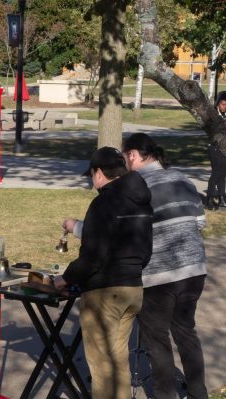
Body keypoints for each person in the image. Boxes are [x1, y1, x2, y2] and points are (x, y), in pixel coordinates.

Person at [53, 147, 153, 399]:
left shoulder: (103, 203)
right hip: (133, 289)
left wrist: (65, 279)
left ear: (99, 173)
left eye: (92, 175)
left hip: (105, 293)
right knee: (118, 361)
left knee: (101, 367)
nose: (92, 181)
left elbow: (91, 258)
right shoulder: (141, 201)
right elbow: (147, 250)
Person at [122, 133, 208, 399]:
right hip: (194, 270)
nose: (125, 162)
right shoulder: (182, 178)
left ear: (133, 155)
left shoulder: (134, 184)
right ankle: (197, 393)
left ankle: (165, 395)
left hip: (159, 274)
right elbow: (200, 221)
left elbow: (124, 231)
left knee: (157, 340)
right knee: (186, 333)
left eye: (125, 156)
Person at [205, 91, 226, 210]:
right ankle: (209, 198)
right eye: (223, 104)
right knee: (216, 173)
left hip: (225, 149)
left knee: (223, 174)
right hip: (214, 147)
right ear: (218, 104)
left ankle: (222, 198)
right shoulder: (213, 116)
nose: (225, 107)